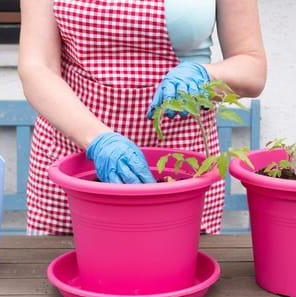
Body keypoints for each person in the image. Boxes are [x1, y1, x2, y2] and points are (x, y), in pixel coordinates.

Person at [18, 0, 267, 236]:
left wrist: (205, 74)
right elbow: (37, 68)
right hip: (77, 161)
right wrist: (98, 139)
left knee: (173, 272)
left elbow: (252, 68)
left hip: (181, 168)